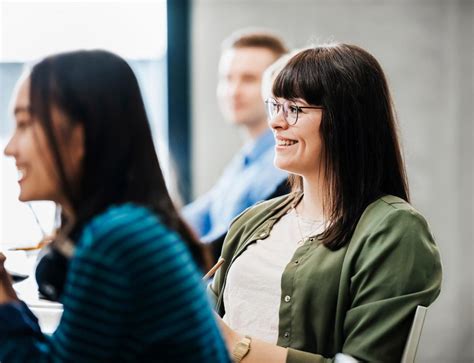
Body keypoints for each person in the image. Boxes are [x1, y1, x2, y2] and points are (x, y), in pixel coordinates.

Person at [208, 43, 442, 362]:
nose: (276, 122)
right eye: (274, 106)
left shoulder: (395, 231)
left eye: (294, 109)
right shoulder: (252, 221)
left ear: (344, 120)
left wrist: (237, 345)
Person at [0, 50, 230, 362]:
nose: (10, 147)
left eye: (25, 123)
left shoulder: (115, 240)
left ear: (80, 135)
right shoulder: (132, 227)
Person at [182, 30, 290, 257]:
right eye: (227, 78)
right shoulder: (244, 161)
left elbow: (220, 250)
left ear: (280, 87)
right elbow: (193, 219)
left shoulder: (282, 169)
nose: (234, 91)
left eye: (249, 79)